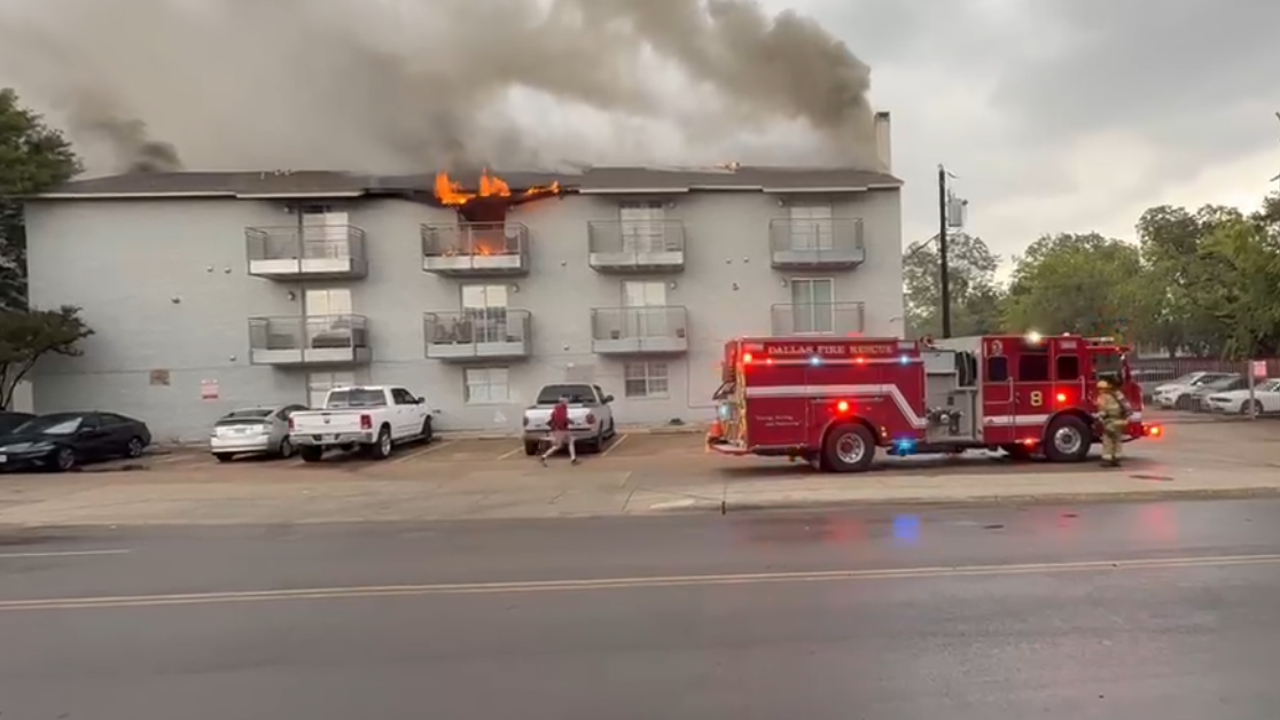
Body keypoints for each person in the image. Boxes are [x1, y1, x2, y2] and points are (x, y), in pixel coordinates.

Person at [1095, 376, 1130, 467]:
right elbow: (1126, 406)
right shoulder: (1119, 394)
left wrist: (1097, 417)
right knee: (1117, 440)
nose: (1099, 391)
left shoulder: (1103, 397)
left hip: (1110, 421)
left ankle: (1107, 460)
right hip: (1120, 421)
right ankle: (1117, 459)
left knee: (1108, 441)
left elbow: (1102, 410)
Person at [539, 395, 578, 466]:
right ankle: (544, 456)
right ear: (562, 402)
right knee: (559, 445)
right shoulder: (561, 409)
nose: (567, 402)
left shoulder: (558, 409)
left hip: (560, 429)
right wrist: (569, 421)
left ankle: (573, 458)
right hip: (561, 429)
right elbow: (562, 418)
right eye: (566, 401)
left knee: (570, 441)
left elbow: (556, 418)